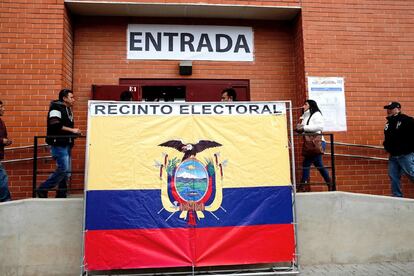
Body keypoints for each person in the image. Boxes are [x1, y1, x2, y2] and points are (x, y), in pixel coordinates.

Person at [37, 89, 81, 198]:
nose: (73, 100)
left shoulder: (68, 109)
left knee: (66, 171)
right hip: (58, 144)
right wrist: (72, 130)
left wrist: (75, 133)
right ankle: (43, 188)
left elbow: (65, 128)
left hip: (67, 143)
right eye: (71, 97)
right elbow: (54, 124)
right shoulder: (55, 107)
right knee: (63, 169)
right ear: (64, 98)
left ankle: (61, 193)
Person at [296, 99, 332, 192]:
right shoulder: (305, 115)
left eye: (305, 104)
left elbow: (319, 127)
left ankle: (302, 185)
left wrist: (304, 128)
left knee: (306, 164)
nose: (303, 106)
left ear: (310, 105)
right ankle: (330, 183)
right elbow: (304, 129)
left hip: (317, 143)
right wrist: (300, 128)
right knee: (319, 165)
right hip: (311, 143)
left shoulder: (316, 114)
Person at [383, 101, 414, 197]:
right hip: (393, 156)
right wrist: (386, 146)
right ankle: (397, 197)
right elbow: (387, 138)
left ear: (398, 109)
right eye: (388, 108)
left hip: (405, 154)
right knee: (393, 176)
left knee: (412, 174)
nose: (389, 110)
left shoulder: (406, 120)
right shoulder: (388, 124)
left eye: (391, 108)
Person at [0, 100, 12, 202]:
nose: (3, 109)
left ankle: (6, 200)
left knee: (2, 178)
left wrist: (7, 141)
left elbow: (4, 137)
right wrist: (2, 140)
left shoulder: (1, 122)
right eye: (1, 107)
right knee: (3, 178)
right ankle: (6, 201)